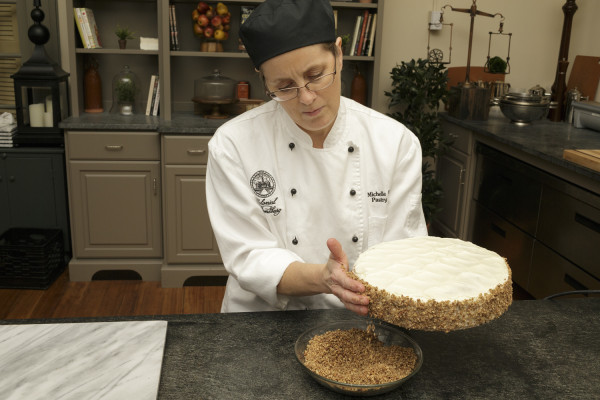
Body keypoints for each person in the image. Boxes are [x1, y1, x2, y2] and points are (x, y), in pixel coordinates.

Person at [206, 0, 427, 314]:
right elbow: (249, 254)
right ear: (264, 81)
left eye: (316, 75)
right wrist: (323, 278)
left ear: (338, 53)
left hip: (359, 315)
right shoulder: (233, 144)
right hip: (260, 320)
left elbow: (404, 252)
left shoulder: (394, 142)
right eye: (284, 87)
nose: (306, 98)